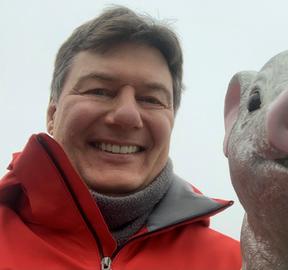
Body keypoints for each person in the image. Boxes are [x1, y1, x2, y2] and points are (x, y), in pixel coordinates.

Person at [0, 6, 241, 270]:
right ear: (52, 114)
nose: (127, 116)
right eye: (100, 91)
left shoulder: (239, 263)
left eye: (150, 99)